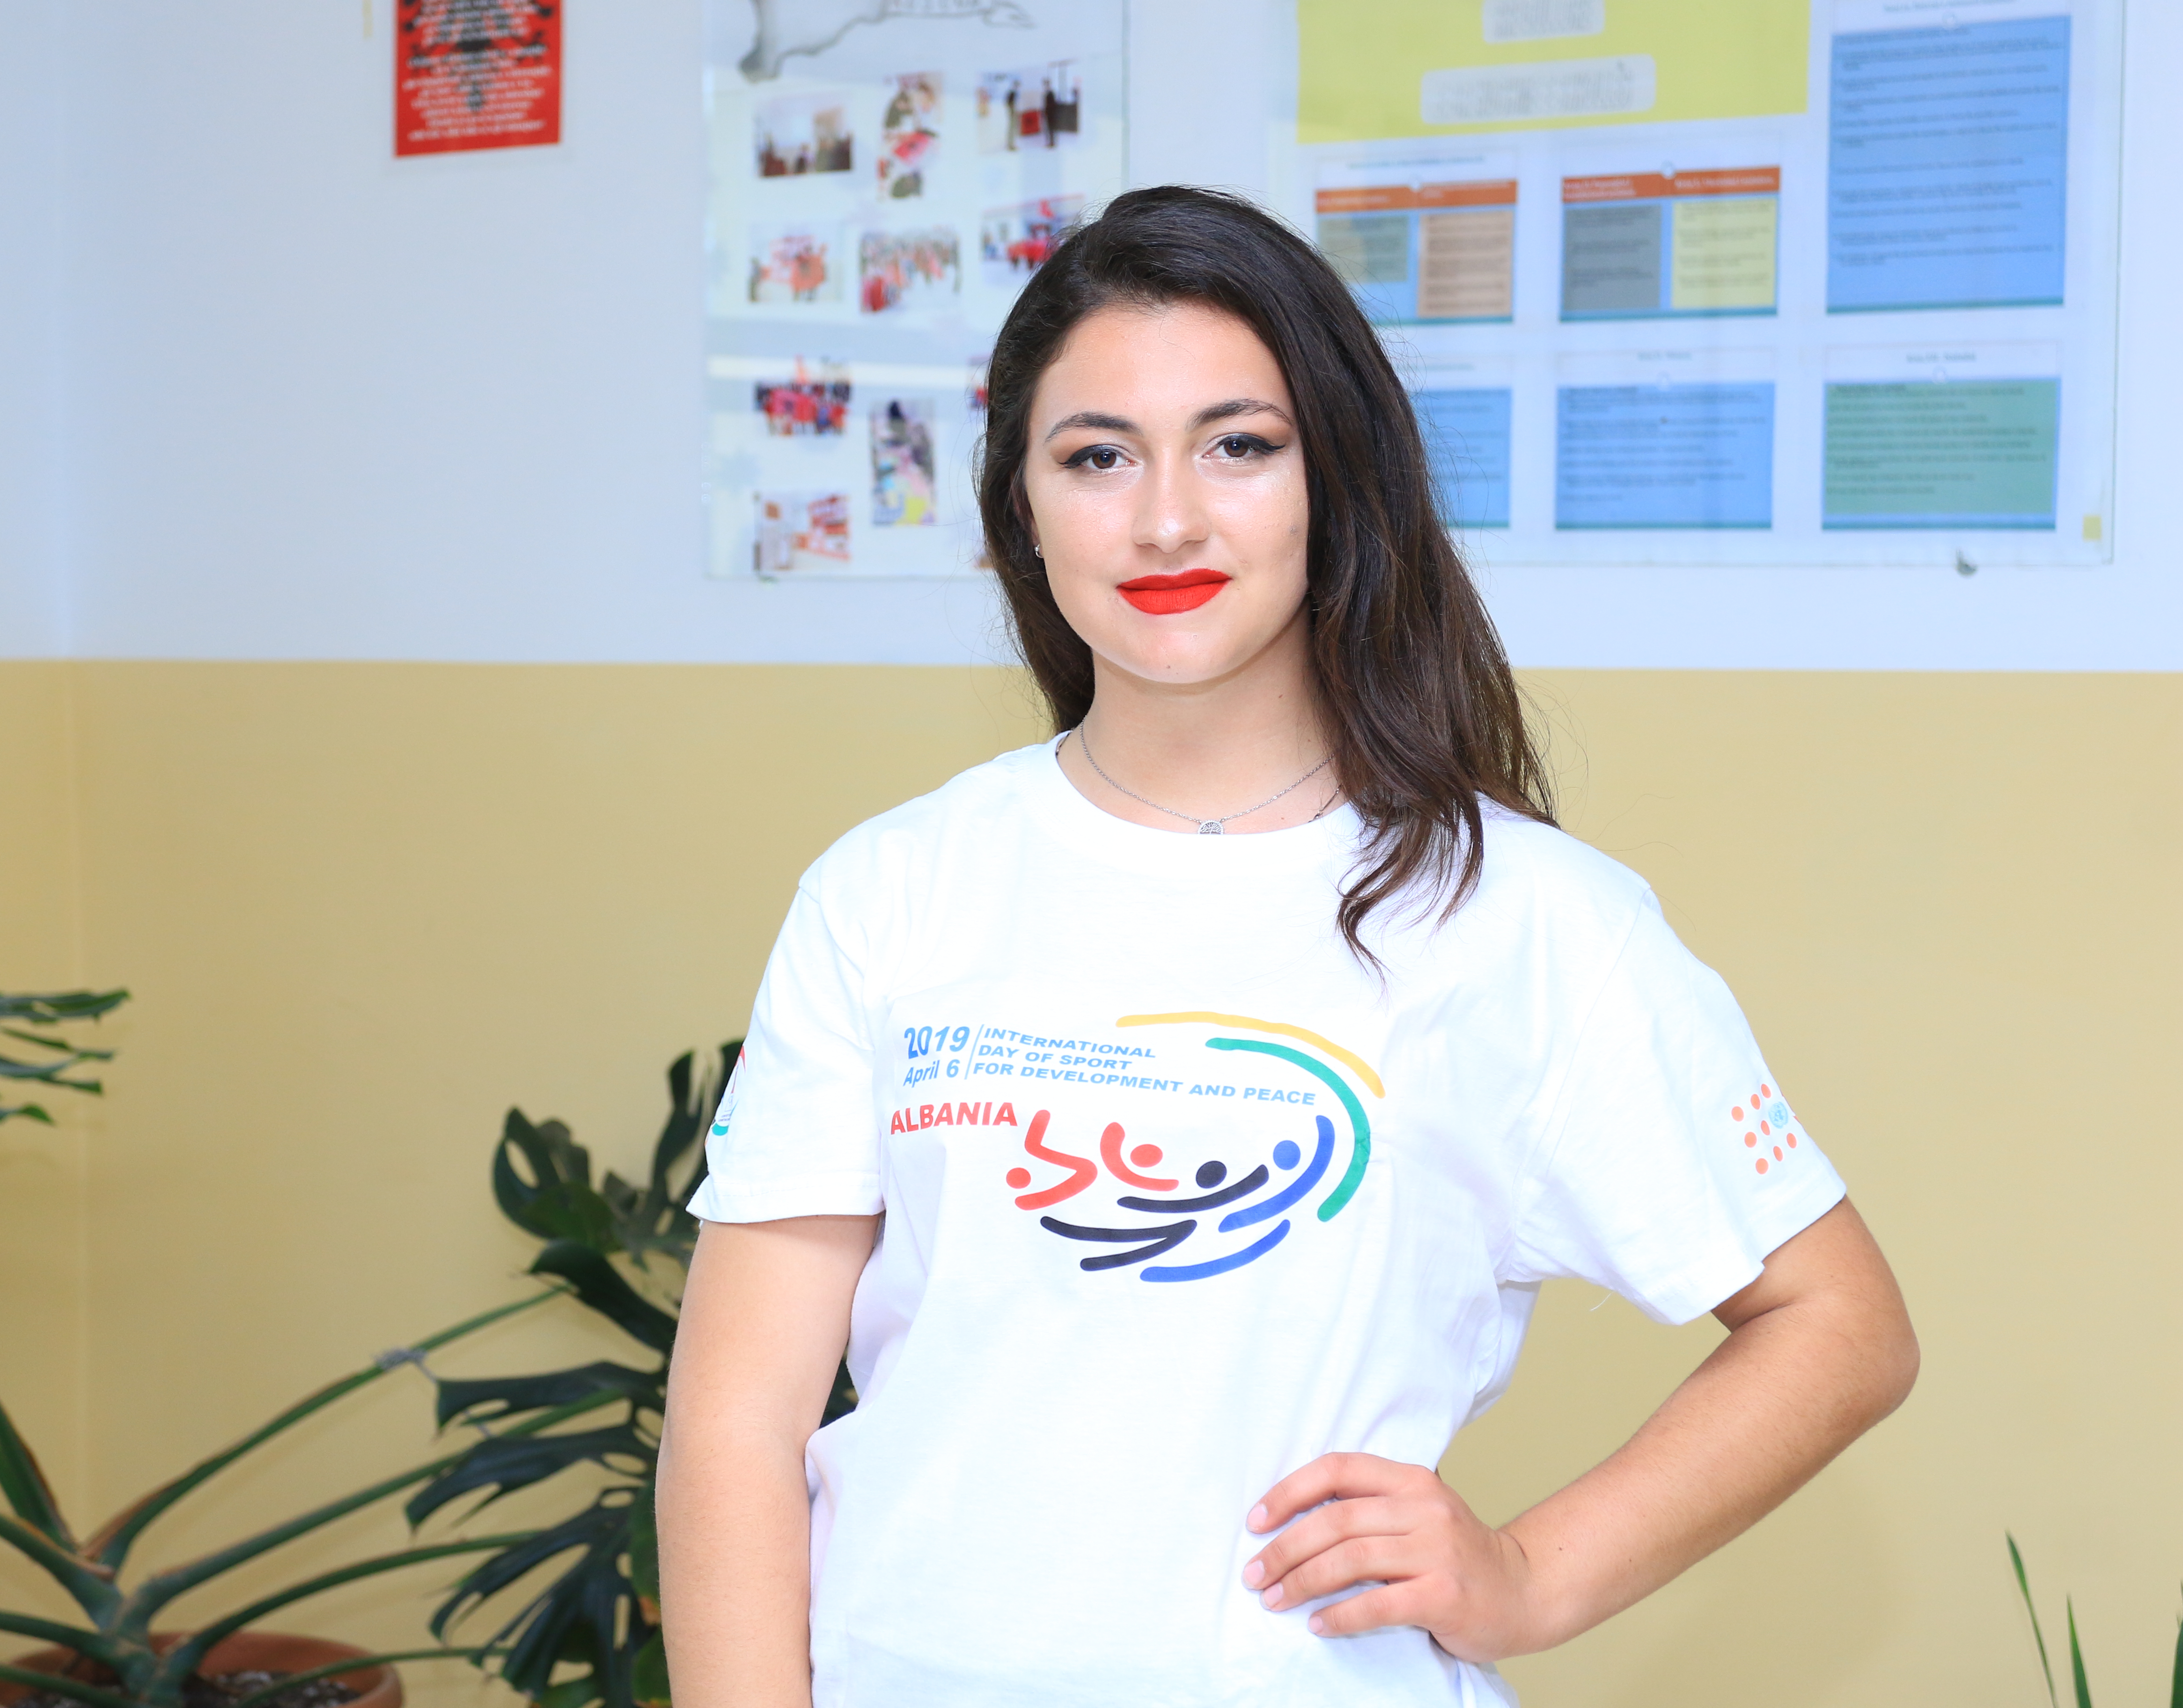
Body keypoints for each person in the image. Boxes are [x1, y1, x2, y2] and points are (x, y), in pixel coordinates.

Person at [657, 185, 1916, 1707]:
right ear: (1021, 512)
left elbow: (1841, 1326)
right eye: (1097, 456)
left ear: (1338, 484)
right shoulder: (892, 891)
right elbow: (736, 1428)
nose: (1166, 518)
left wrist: (1533, 1575)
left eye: (1239, 446)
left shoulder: (1525, 918)